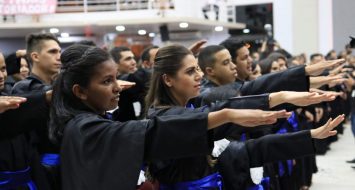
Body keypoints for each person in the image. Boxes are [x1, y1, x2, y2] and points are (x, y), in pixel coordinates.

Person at [49, 44, 289, 190]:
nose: (117, 87)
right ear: (80, 91)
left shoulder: (84, 122)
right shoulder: (84, 127)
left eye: (115, 79)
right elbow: (152, 131)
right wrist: (225, 115)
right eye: (106, 81)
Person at [144, 44, 344, 189]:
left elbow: (249, 93)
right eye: (190, 71)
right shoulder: (164, 118)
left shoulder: (191, 104)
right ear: (168, 79)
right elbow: (226, 105)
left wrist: (308, 135)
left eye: (197, 68)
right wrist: (279, 96)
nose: (199, 76)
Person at [11, 33, 62, 190]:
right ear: (35, 56)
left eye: (60, 52)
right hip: (40, 169)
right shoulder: (24, 88)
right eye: (52, 52)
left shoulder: (56, 86)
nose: (59, 57)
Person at [110, 46, 151, 121]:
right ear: (115, 64)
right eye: (128, 59)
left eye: (133, 58)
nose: (134, 62)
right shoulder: (117, 84)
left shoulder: (136, 80)